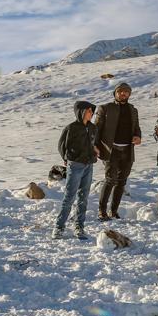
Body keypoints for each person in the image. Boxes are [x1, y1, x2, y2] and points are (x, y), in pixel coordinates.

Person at [94, 82, 142, 220]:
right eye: (120, 91)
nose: (123, 94)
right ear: (115, 93)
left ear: (129, 94)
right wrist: (94, 145)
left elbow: (136, 127)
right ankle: (102, 211)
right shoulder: (105, 108)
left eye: (126, 92)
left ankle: (113, 212)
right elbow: (96, 129)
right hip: (111, 150)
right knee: (110, 180)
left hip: (127, 150)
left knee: (121, 182)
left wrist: (138, 136)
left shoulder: (133, 110)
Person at [53, 101, 99, 239]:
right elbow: (62, 145)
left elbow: (92, 143)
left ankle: (79, 227)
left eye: (92, 111)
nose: (91, 113)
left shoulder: (92, 127)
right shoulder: (71, 128)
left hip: (88, 165)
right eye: (89, 111)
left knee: (83, 197)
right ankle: (59, 227)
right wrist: (67, 158)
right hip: (75, 166)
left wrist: (94, 152)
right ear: (81, 112)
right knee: (69, 197)